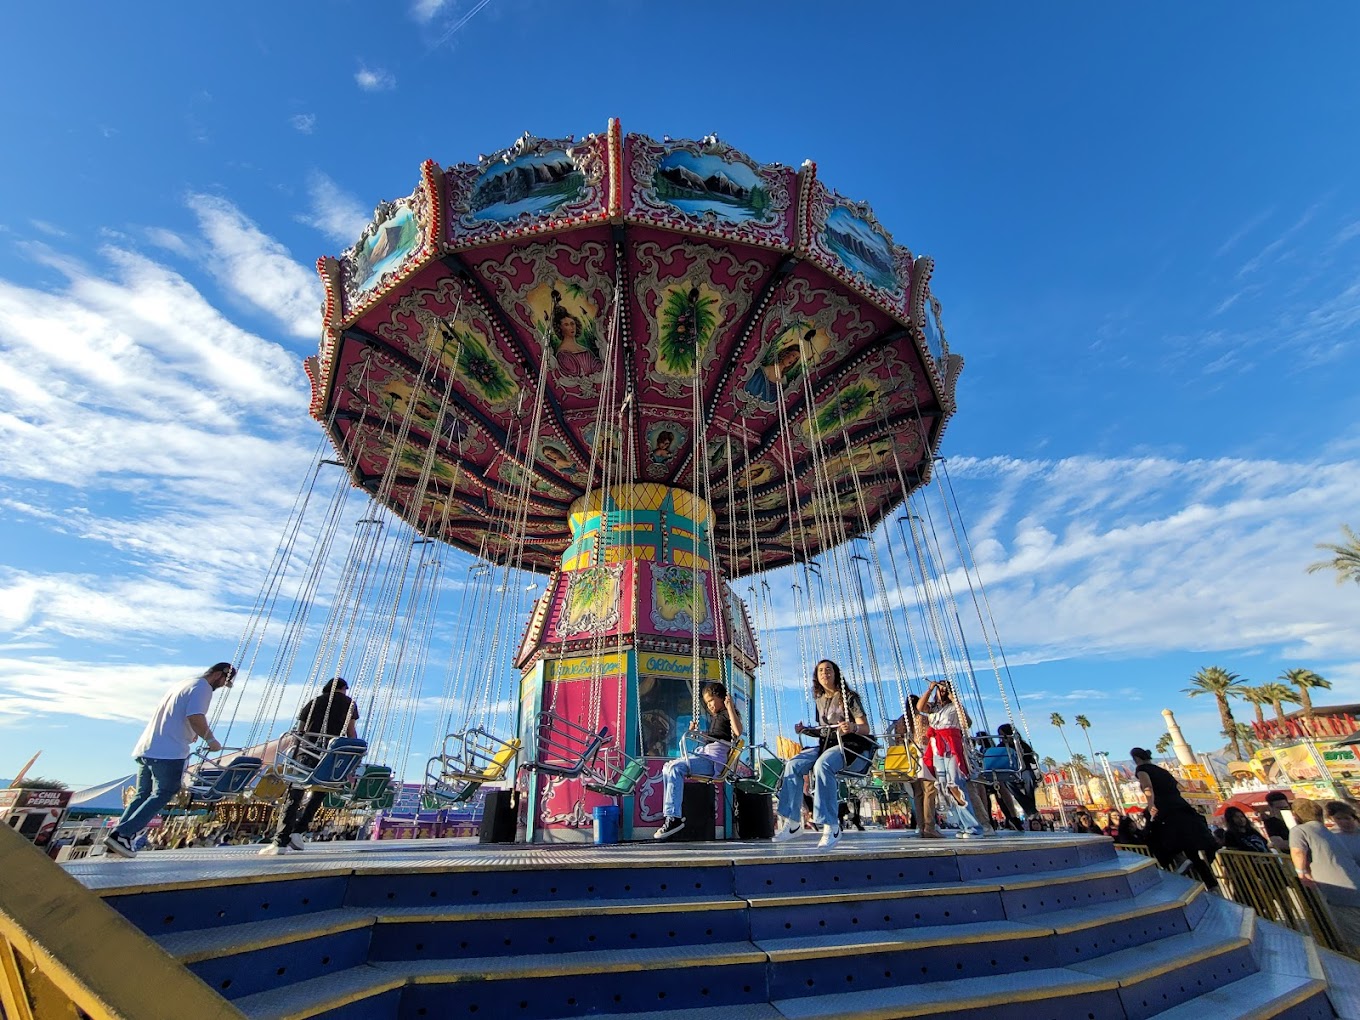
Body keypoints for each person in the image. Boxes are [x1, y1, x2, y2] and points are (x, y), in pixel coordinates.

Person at [104, 662, 235, 859]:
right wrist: (210, 738)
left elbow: (177, 715)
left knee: (142, 794)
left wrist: (191, 733)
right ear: (218, 674)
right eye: (224, 681)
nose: (222, 686)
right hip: (168, 751)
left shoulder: (183, 684)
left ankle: (117, 838)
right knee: (166, 790)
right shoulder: (203, 688)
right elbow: (195, 716)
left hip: (147, 746)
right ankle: (123, 834)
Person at [773, 660, 873, 850]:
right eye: (820, 670)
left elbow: (865, 728)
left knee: (822, 765)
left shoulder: (849, 697)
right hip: (826, 744)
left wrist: (852, 727)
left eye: (828, 669)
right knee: (792, 765)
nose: (824, 673)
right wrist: (805, 730)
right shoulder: (819, 700)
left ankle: (831, 826)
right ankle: (793, 822)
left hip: (848, 745)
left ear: (835, 673)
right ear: (816, 677)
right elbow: (825, 730)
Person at [259, 677, 359, 855]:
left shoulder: (313, 702)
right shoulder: (348, 703)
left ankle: (280, 841)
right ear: (343, 688)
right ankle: (298, 830)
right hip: (332, 754)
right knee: (321, 789)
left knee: (295, 793)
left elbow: (300, 730)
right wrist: (353, 758)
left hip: (308, 750)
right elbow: (351, 732)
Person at [653, 682, 742, 840]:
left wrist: (730, 707)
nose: (709, 706)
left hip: (714, 761)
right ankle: (671, 814)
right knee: (667, 767)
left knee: (675, 769)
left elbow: (737, 731)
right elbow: (714, 737)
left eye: (711, 701)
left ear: (722, 698)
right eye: (707, 703)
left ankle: (673, 817)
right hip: (706, 755)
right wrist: (697, 733)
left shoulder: (728, 713)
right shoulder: (716, 718)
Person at [1130, 746, 1220, 890]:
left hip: (1164, 808)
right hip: (1180, 806)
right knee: (1191, 850)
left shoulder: (1142, 770)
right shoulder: (1162, 771)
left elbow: (1148, 787)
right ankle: (1211, 884)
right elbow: (1176, 787)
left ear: (1136, 759)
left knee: (1153, 837)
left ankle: (1176, 860)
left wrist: (1151, 805)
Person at [1289, 798, 1360, 954]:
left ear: (1296, 815)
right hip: (1353, 883)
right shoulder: (1327, 831)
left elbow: (1297, 851)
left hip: (1339, 891)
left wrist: (1302, 873)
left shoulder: (1299, 830)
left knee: (1353, 932)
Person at [916, 679, 986, 837]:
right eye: (940, 690)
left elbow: (966, 723)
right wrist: (930, 689)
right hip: (937, 749)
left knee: (956, 783)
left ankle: (973, 826)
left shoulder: (955, 707)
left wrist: (954, 698)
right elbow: (919, 707)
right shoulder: (933, 708)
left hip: (952, 746)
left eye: (945, 690)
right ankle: (962, 823)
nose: (942, 692)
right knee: (943, 786)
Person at [1324, 800, 1360, 865]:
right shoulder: (1332, 836)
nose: (1343, 822)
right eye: (1338, 818)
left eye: (1347, 818)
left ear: (1354, 818)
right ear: (1332, 819)